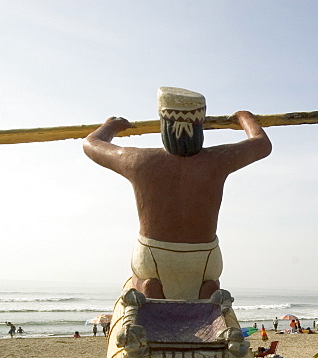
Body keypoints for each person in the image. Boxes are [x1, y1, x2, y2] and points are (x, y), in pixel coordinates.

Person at [84, 87, 271, 301]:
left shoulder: (138, 161)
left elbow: (92, 144)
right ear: (199, 128)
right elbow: (261, 144)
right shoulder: (219, 160)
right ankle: (207, 293)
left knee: (141, 280)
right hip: (205, 260)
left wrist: (112, 125)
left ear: (164, 126)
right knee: (208, 285)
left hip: (153, 257)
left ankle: (148, 288)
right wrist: (244, 117)